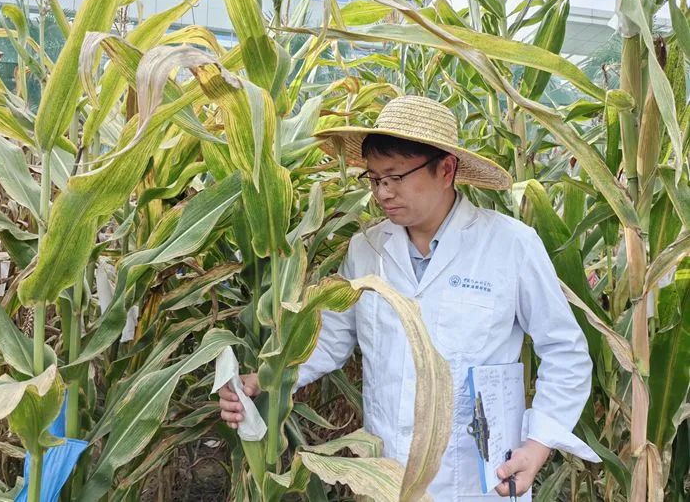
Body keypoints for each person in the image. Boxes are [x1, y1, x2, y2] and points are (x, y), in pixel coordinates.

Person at [218, 95, 599, 500]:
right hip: (386, 472)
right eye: (374, 179)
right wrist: (267, 380)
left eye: (396, 177)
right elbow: (330, 339)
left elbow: (565, 351)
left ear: (446, 169)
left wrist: (538, 445)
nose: (383, 192)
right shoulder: (366, 249)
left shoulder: (510, 245)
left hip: (479, 479)